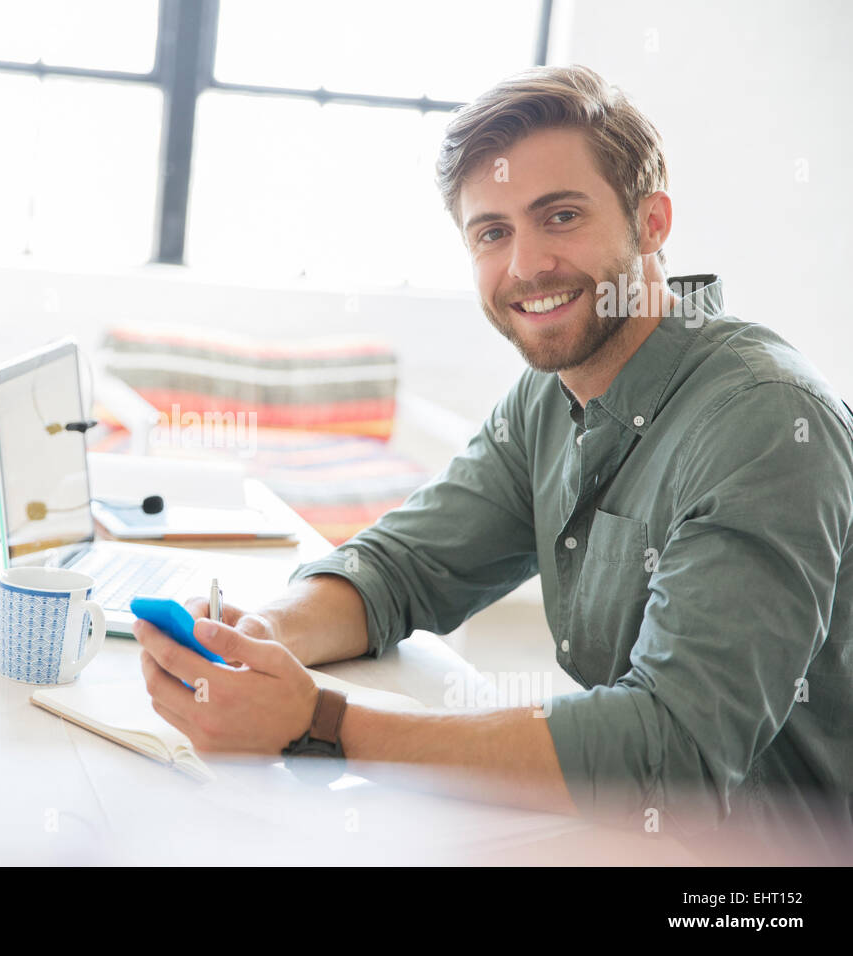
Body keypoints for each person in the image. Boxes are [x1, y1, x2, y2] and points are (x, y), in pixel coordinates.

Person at [133, 64, 853, 859]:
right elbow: (404, 567)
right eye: (492, 232)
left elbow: (672, 753)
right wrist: (259, 640)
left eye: (562, 216)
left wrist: (320, 723)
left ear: (652, 223)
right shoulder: (552, 397)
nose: (526, 266)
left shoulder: (764, 421)